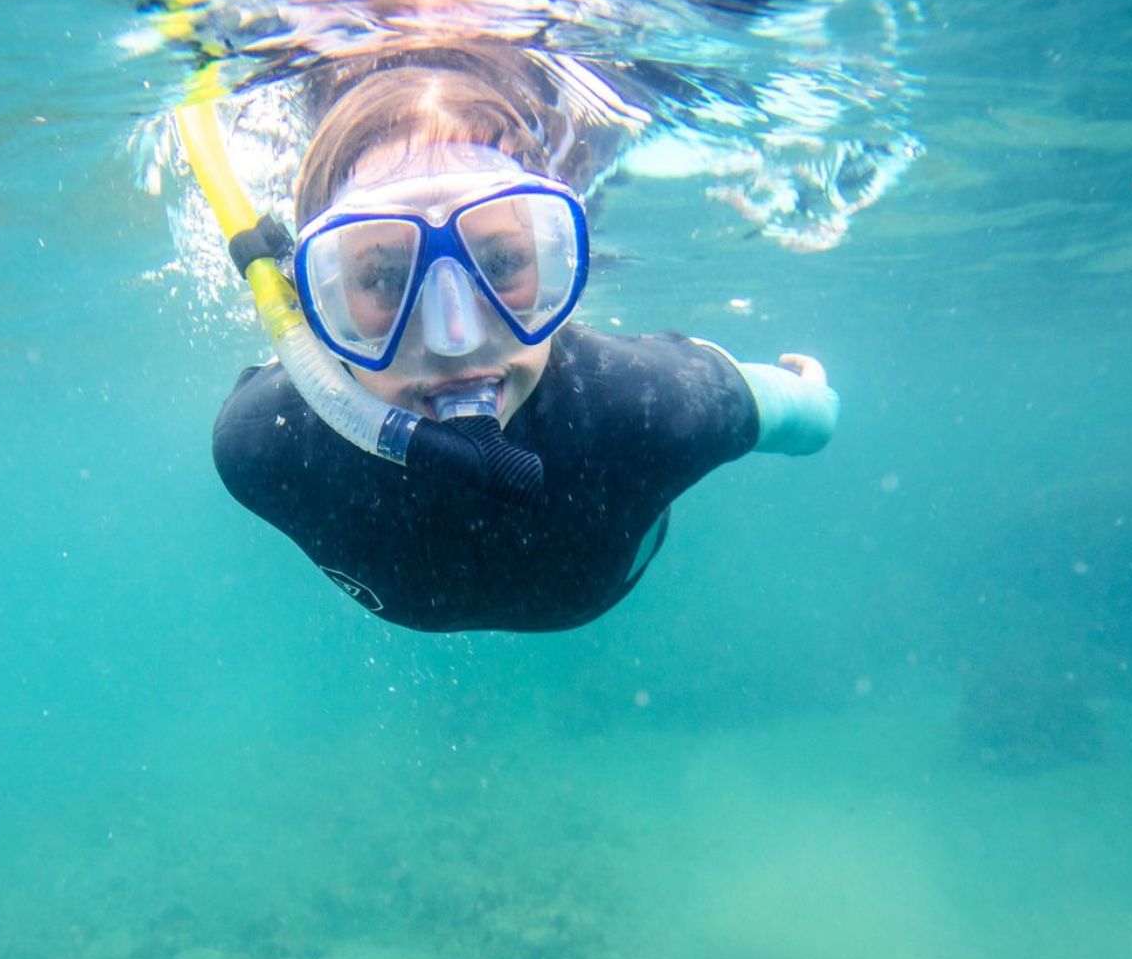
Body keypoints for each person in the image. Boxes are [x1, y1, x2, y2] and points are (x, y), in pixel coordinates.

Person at [207, 46, 838, 633]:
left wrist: (813, 402)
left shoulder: (656, 407)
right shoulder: (262, 444)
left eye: (502, 263)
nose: (454, 339)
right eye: (383, 277)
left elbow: (807, 412)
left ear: (557, 262)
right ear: (316, 304)